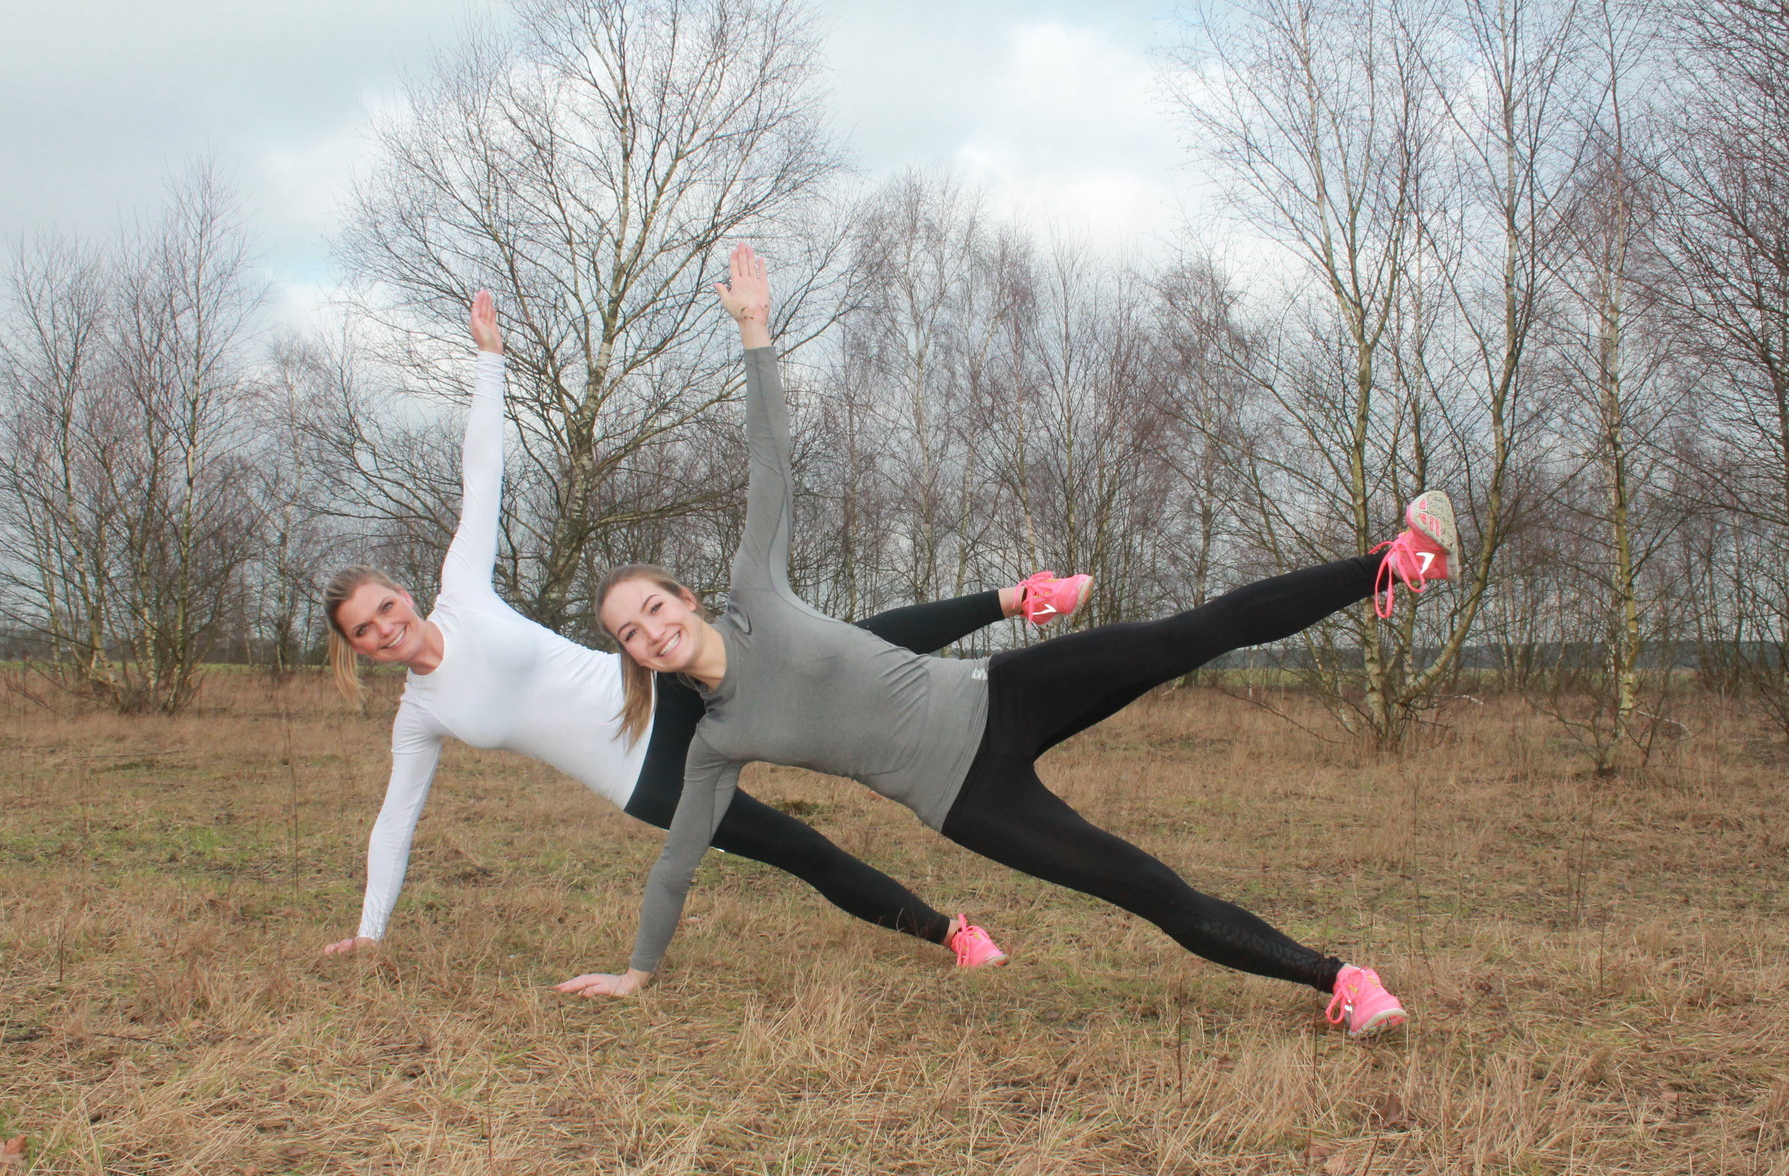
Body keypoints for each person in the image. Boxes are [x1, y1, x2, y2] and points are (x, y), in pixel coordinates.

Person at [571, 244, 1458, 1038]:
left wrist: (755, 332)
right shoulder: (715, 742)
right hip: (969, 795)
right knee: (1144, 886)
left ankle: (1393, 562)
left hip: (999, 692)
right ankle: (1339, 980)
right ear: (631, 653)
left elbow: (770, 455)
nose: (652, 631)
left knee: (1191, 632)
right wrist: (637, 970)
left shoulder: (755, 587)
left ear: (684, 596)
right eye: (631, 633)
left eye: (654, 607)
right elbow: (677, 863)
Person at [320, 290, 1098, 969]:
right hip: (641, 779)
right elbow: (395, 822)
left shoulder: (462, 588)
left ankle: (1016, 597)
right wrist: (370, 930)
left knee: (843, 647)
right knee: (801, 849)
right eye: (365, 630)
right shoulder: (420, 715)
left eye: (385, 607)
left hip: (660, 691)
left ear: (404, 593)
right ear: (356, 648)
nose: (385, 629)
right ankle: (951, 933)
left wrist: (491, 363)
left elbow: (481, 472)